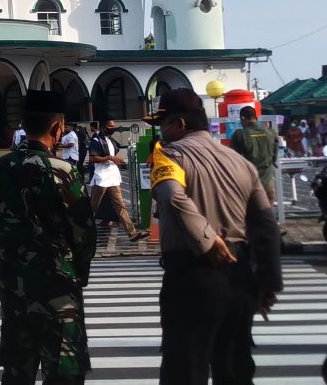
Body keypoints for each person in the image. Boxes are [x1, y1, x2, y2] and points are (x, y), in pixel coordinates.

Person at [147, 88, 283, 385]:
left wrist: (206, 241)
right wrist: (267, 281)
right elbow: (265, 225)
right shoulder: (240, 163)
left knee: (185, 371)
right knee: (235, 371)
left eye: (163, 123)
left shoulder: (168, 155)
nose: (160, 131)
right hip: (240, 276)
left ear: (180, 124)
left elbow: (171, 196)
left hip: (192, 275)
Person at [0, 90, 96, 385]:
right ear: (57, 128)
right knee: (64, 373)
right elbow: (84, 234)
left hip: (15, 289)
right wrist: (78, 272)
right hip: (59, 290)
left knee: (17, 373)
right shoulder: (63, 172)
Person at [88, 119, 148, 242]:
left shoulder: (110, 140)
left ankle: (131, 233)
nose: (113, 128)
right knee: (92, 207)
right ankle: (80, 232)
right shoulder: (96, 140)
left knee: (120, 205)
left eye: (114, 126)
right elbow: (92, 158)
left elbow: (114, 153)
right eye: (110, 126)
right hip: (101, 178)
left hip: (113, 176)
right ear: (104, 127)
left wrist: (116, 160)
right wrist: (110, 158)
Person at [230, 106, 278, 204]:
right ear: (256, 117)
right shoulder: (271, 132)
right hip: (268, 183)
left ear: (243, 119)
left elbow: (233, 159)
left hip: (249, 184)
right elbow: (274, 156)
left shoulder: (240, 134)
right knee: (267, 214)